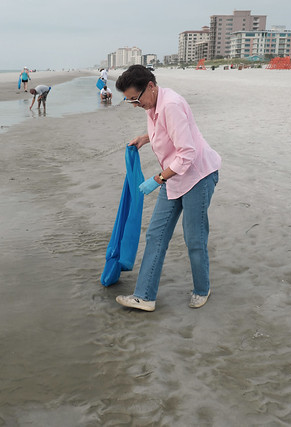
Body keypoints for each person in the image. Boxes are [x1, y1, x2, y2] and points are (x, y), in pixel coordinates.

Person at [114, 64, 221, 312]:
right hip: (173, 177)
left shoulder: (170, 104)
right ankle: (145, 296)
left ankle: (202, 289)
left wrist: (158, 179)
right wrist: (145, 137)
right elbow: (164, 131)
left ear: (150, 86)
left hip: (197, 176)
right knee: (156, 234)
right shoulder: (151, 103)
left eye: (135, 99)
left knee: (194, 237)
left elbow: (187, 154)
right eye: (130, 102)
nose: (135, 105)